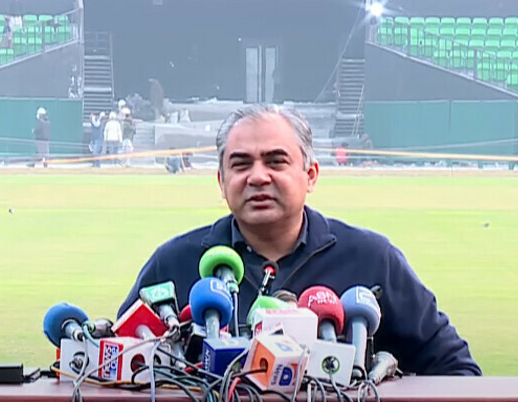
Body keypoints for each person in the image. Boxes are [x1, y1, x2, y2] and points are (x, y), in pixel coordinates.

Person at [117, 104, 481, 376]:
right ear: (221, 182)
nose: (258, 177)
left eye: (276, 162)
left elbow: (457, 371)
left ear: (311, 175)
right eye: (241, 164)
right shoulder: (173, 263)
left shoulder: (373, 259)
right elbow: (117, 371)